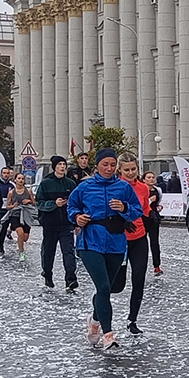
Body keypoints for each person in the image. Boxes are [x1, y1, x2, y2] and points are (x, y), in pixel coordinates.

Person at [68, 148, 141, 349]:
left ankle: (94, 321)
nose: (109, 168)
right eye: (105, 164)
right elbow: (71, 207)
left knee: (109, 287)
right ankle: (108, 334)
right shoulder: (85, 187)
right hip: (90, 242)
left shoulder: (124, 187)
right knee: (103, 287)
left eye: (112, 165)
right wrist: (77, 217)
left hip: (116, 242)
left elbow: (137, 211)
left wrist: (124, 208)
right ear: (97, 165)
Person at [118, 153, 155, 336]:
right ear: (120, 170)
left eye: (133, 169)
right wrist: (122, 221)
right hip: (119, 240)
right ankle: (98, 313)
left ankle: (132, 320)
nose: (131, 172)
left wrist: (151, 216)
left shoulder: (143, 188)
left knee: (139, 279)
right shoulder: (115, 187)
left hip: (139, 238)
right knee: (116, 284)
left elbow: (145, 208)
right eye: (127, 170)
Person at [36, 155, 79, 292]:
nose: (62, 167)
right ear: (54, 167)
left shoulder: (70, 184)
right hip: (50, 223)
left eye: (64, 164)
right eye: (59, 164)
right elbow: (39, 202)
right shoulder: (45, 183)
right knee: (48, 251)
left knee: (68, 251)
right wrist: (54, 204)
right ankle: (47, 274)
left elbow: (76, 202)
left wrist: (76, 219)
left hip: (66, 223)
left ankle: (71, 279)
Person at [140, 169, 165, 274]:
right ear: (144, 180)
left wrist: (159, 207)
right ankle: (141, 266)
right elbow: (140, 204)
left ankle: (157, 266)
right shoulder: (141, 189)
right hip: (143, 218)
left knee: (155, 243)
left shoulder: (158, 190)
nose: (151, 179)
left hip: (154, 218)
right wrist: (150, 200)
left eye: (152, 177)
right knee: (142, 243)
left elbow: (158, 203)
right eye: (149, 177)